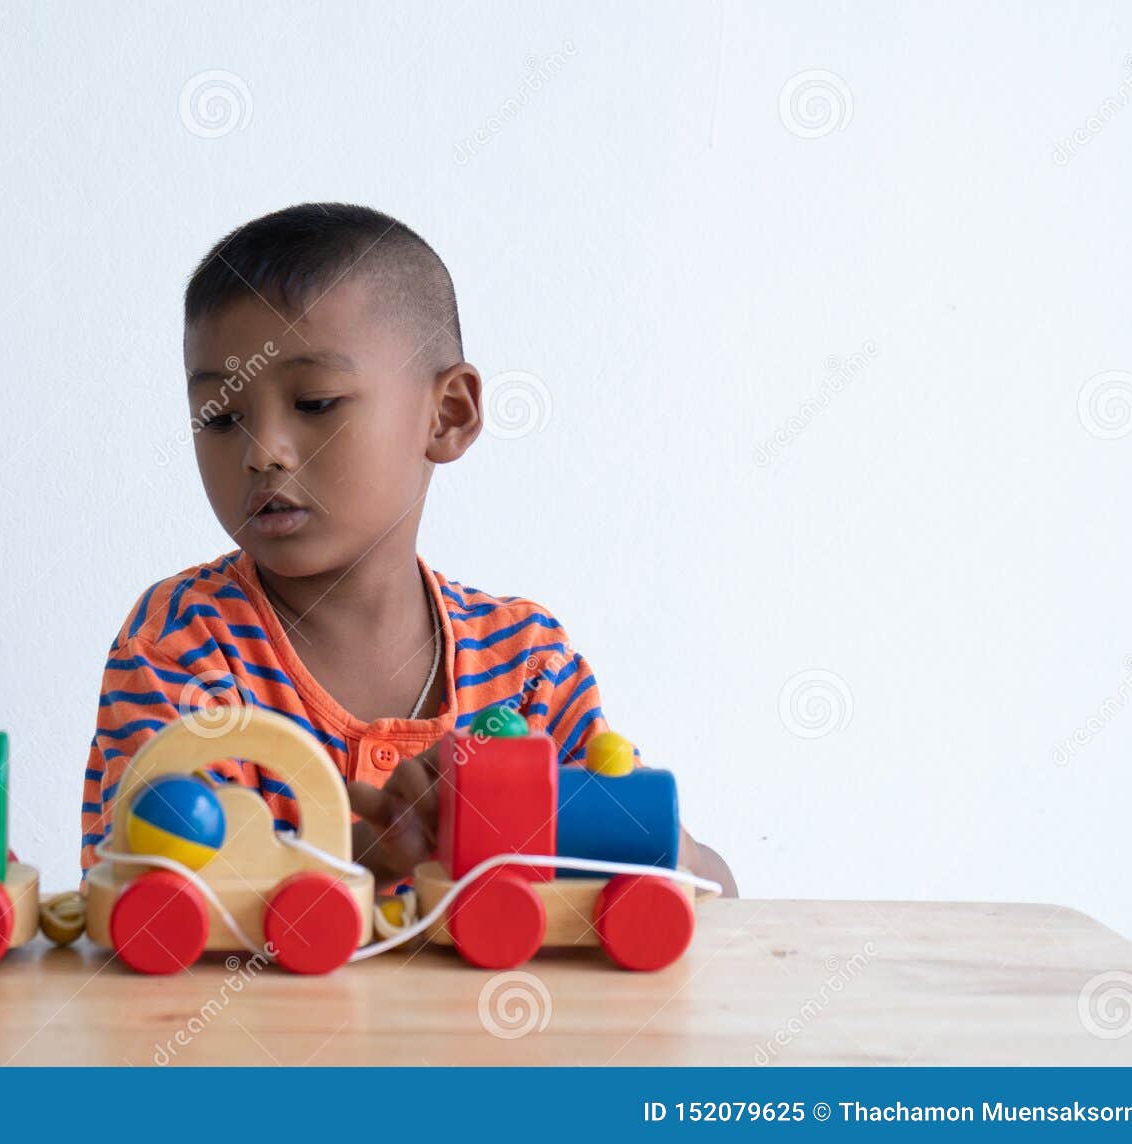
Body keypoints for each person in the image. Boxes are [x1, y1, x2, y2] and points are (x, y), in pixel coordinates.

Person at [81, 202, 736, 898]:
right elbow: (156, 909)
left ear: (447, 414)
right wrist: (359, 872)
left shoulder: (529, 663)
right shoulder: (182, 642)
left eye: (315, 402)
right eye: (221, 416)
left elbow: (695, 891)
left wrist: (677, 853)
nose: (261, 452)